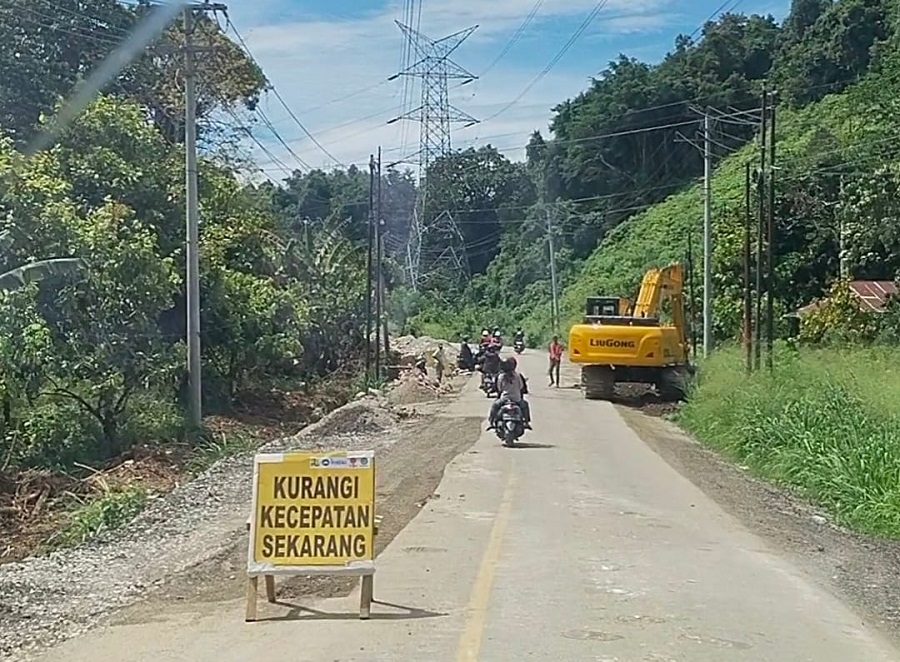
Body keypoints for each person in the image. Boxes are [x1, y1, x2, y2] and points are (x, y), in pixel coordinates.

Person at [488, 356, 532, 430]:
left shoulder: (501, 376)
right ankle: (526, 422)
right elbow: (521, 387)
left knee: (494, 406)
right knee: (525, 406)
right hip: (516, 399)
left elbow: (499, 388)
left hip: (504, 399)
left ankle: (491, 422)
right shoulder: (517, 375)